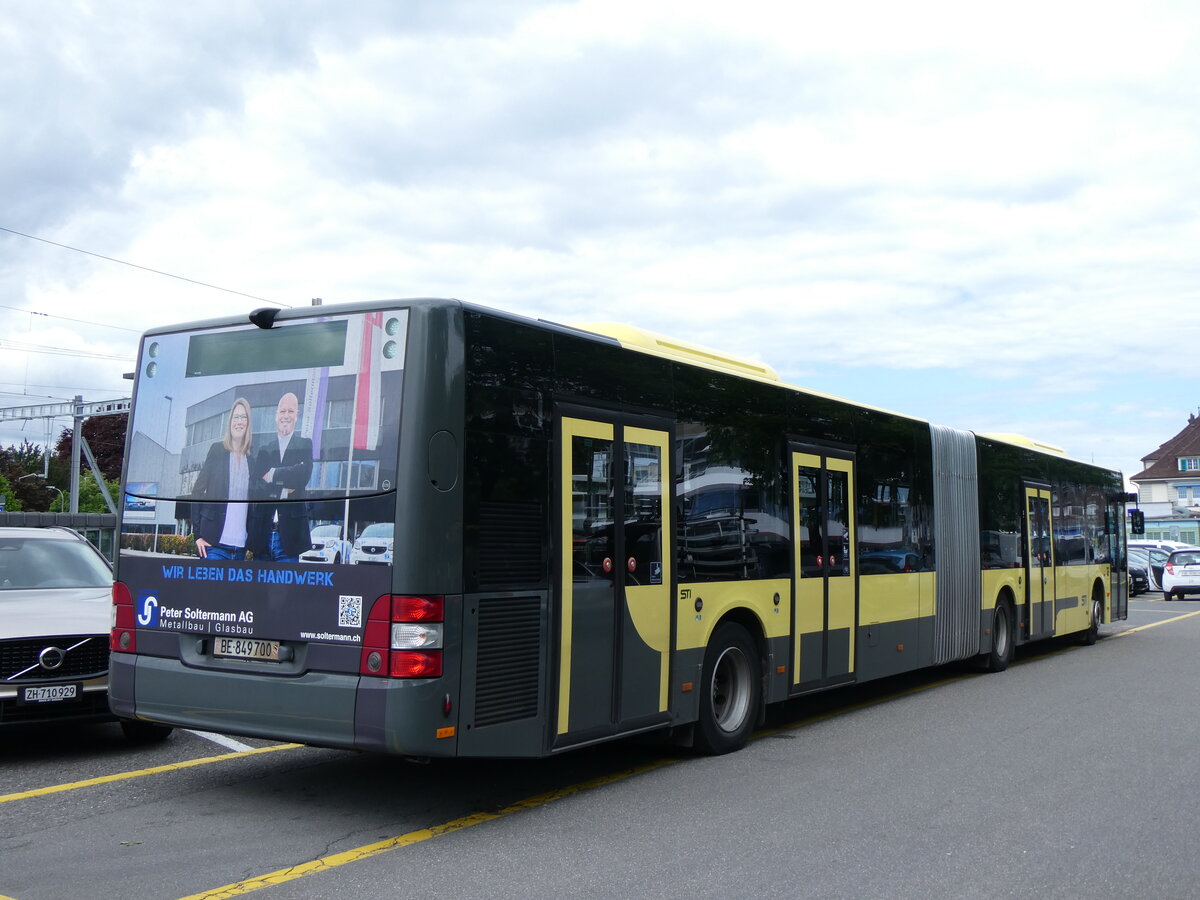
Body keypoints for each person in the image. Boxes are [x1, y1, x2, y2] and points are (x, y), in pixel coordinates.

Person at [247, 391, 312, 562]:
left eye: (291, 411)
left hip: (290, 540)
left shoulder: (305, 445)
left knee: (287, 589)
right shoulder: (264, 450)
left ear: (297, 415)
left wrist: (273, 474)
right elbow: (254, 487)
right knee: (259, 589)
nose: (286, 416)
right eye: (282, 411)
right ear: (276, 415)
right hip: (263, 536)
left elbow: (302, 476)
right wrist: (282, 492)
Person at [192, 398, 253, 561]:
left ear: (248, 423)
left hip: (240, 548)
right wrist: (197, 535)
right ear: (230, 422)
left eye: (244, 417)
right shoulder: (217, 450)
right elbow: (197, 491)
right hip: (214, 546)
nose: (239, 421)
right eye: (236, 417)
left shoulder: (251, 460)